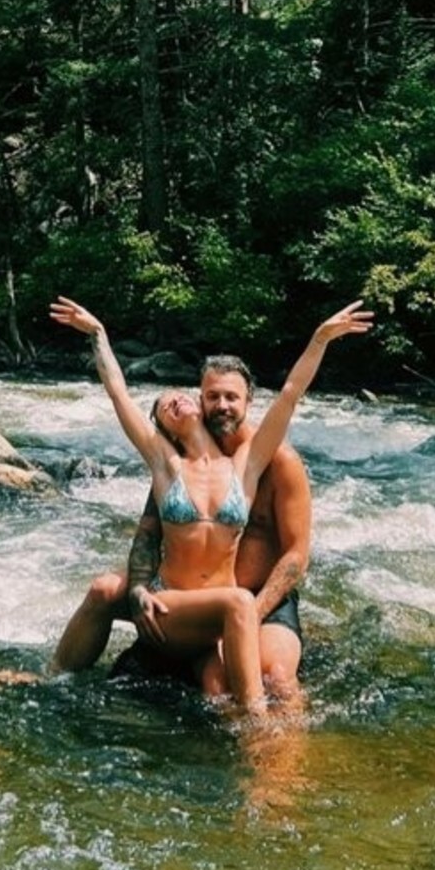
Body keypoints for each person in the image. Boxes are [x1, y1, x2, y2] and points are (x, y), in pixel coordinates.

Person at [49, 297, 372, 711]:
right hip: (173, 601)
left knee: (233, 630)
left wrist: (320, 339)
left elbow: (290, 395)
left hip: (221, 606)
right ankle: (54, 677)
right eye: (167, 405)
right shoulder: (165, 464)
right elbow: (118, 394)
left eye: (182, 397)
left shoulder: (245, 465)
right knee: (225, 602)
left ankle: (253, 717)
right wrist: (98, 334)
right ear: (165, 427)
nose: (177, 402)